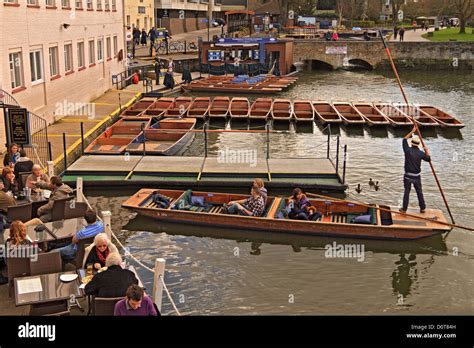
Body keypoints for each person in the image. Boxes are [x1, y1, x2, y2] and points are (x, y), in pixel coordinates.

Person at [400, 127, 431, 214]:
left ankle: (404, 209)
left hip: (407, 176)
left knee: (407, 192)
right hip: (417, 176)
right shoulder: (421, 153)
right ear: (418, 144)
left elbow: (404, 139)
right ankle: (422, 208)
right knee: (419, 192)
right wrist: (426, 151)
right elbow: (428, 159)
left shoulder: (407, 150)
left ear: (412, 143)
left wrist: (412, 131)